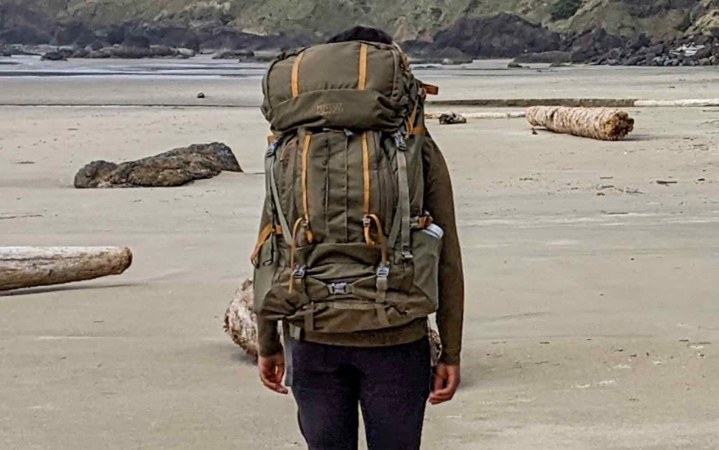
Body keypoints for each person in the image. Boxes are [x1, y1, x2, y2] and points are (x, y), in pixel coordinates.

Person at [254, 26, 465, 450]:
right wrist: (451, 350)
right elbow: (446, 253)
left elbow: (270, 245)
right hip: (396, 337)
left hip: (312, 333)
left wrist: (268, 341)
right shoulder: (414, 146)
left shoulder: (293, 145)